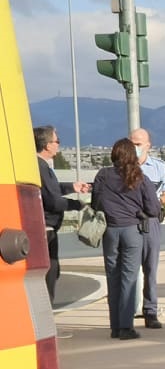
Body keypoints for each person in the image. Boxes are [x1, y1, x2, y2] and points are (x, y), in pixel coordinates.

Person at [90, 138, 162, 340]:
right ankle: (126, 327)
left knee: (113, 277)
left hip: (110, 231)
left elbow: (95, 202)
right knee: (129, 278)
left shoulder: (102, 175)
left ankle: (115, 326)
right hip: (132, 230)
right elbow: (154, 209)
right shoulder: (139, 176)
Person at [34, 125, 90, 303]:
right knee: (50, 272)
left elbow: (51, 191)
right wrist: (78, 204)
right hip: (46, 229)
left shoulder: (41, 166)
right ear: (47, 145)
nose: (59, 145)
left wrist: (71, 187)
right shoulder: (41, 167)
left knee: (53, 271)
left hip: (48, 227)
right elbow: (53, 201)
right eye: (57, 141)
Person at [129, 127, 165, 329]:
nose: (134, 147)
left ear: (148, 145)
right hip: (129, 221)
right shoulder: (122, 168)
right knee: (128, 270)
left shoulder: (158, 167)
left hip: (151, 220)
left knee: (150, 269)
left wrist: (153, 203)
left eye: (138, 144)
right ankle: (126, 311)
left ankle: (150, 311)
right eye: (131, 143)